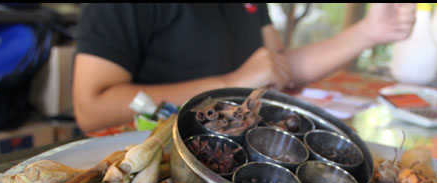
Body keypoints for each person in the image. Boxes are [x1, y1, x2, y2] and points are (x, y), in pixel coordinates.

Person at [72, 3, 416, 132]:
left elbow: (278, 68)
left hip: (232, 150)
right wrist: (231, 82)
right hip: (152, 158)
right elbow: (92, 106)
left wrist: (370, 31)